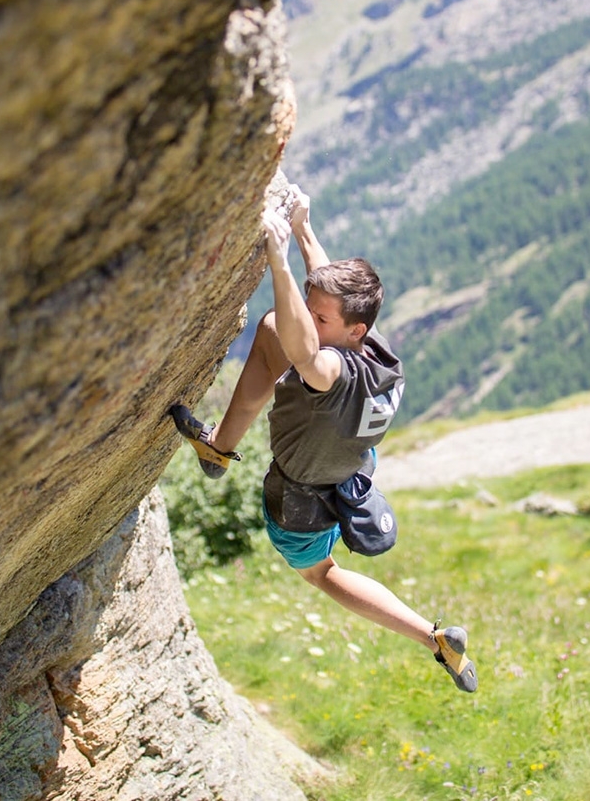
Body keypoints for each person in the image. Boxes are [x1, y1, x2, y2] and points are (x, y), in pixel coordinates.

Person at [170, 187, 477, 692]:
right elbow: (321, 309)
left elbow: (310, 354)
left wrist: (277, 258)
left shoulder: (329, 370)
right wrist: (303, 228)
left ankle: (431, 637)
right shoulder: (377, 351)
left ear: (352, 331)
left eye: (322, 319)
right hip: (349, 474)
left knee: (322, 575)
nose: (313, 321)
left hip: (300, 507)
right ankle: (217, 448)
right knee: (274, 331)